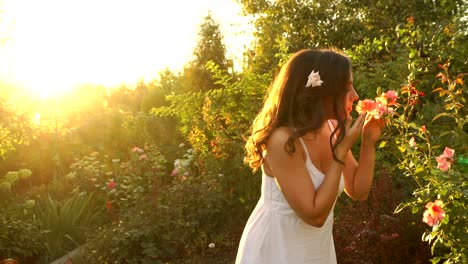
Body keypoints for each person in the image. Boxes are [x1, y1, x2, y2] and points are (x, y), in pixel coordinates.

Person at [235, 49, 382, 263]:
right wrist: (341, 151)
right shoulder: (283, 141)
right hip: (276, 248)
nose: (356, 95)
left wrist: (368, 142)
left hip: (316, 250)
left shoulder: (331, 128)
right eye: (347, 87)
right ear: (324, 91)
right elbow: (315, 215)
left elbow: (358, 191)